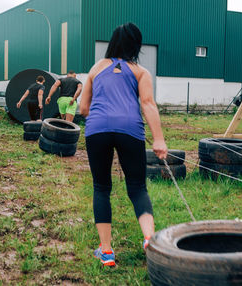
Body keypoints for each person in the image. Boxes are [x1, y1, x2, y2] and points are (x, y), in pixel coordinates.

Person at [79, 23, 168, 267]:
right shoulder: (141, 72)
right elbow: (148, 104)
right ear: (136, 46)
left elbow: (83, 108)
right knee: (137, 186)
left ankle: (106, 251)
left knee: (101, 187)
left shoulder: (96, 68)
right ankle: (150, 239)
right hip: (130, 129)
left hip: (97, 129)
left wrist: (102, 115)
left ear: (112, 43)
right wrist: (158, 139)